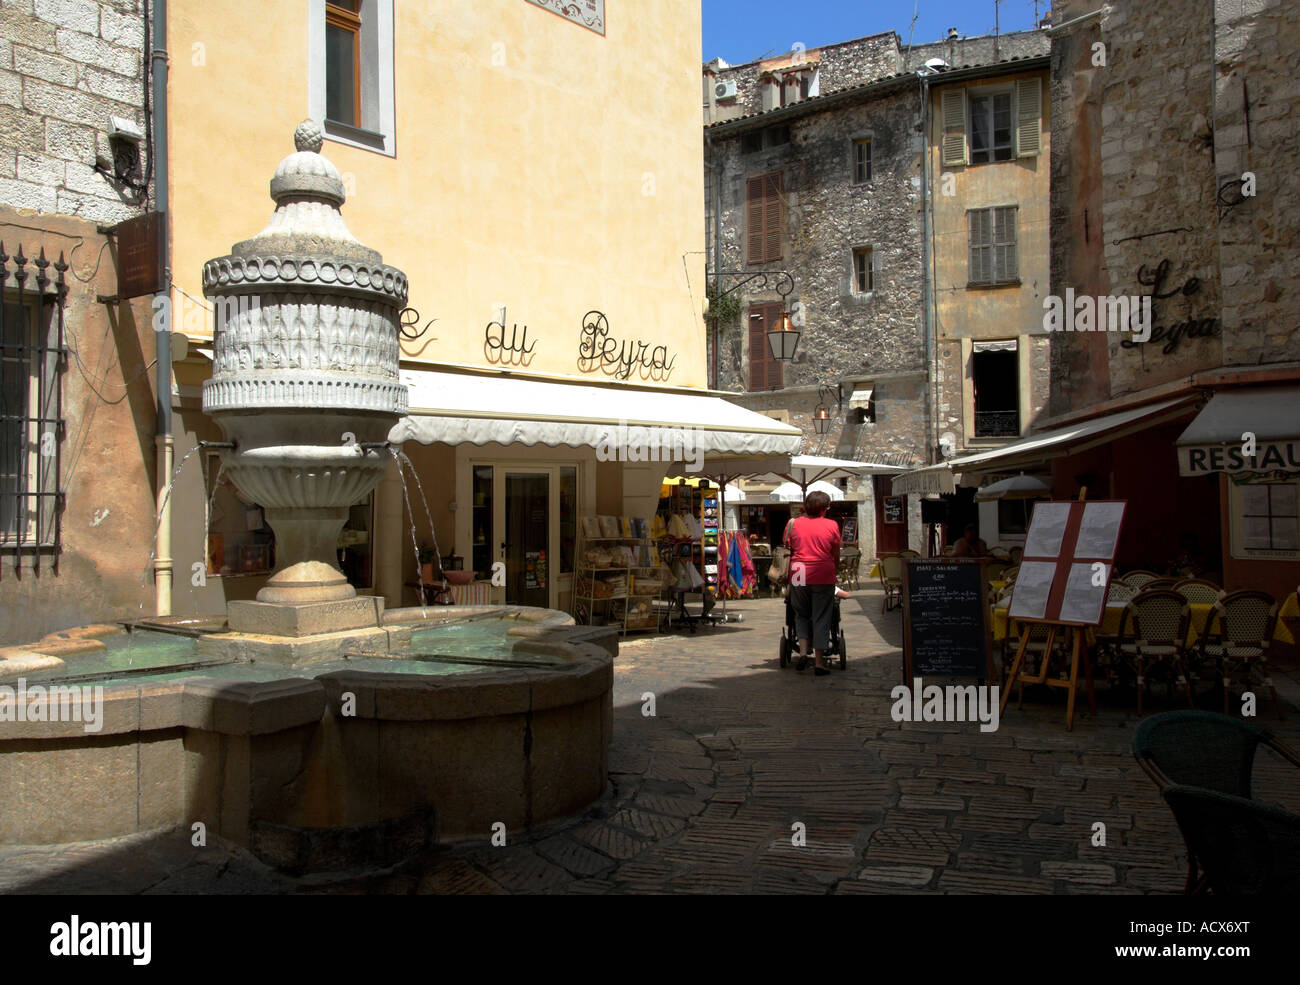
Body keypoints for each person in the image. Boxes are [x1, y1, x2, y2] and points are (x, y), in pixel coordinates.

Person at [783, 490, 841, 676]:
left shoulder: (793, 523)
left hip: (799, 571)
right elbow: (835, 552)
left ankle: (802, 652)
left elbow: (787, 546)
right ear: (824, 509)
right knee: (821, 616)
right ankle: (818, 662)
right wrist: (835, 569)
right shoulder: (831, 525)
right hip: (822, 572)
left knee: (800, 613)